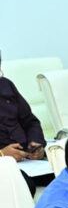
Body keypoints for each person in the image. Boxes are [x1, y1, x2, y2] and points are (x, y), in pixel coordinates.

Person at [0, 53, 46, 195]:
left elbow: (30, 121)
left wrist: (36, 144)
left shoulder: (5, 85)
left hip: (29, 160)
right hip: (5, 167)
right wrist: (2, 154)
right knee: (24, 186)